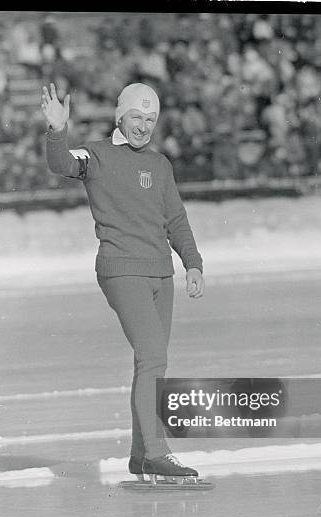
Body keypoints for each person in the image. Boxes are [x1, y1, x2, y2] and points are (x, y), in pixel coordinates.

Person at [42, 82, 205, 481]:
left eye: (151, 120)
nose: (143, 126)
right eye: (136, 117)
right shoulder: (96, 155)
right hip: (121, 268)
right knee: (153, 357)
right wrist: (56, 131)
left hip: (160, 273)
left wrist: (193, 263)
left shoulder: (160, 164)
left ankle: (140, 455)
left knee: (150, 364)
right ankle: (157, 453)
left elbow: (176, 220)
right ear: (120, 117)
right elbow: (61, 163)